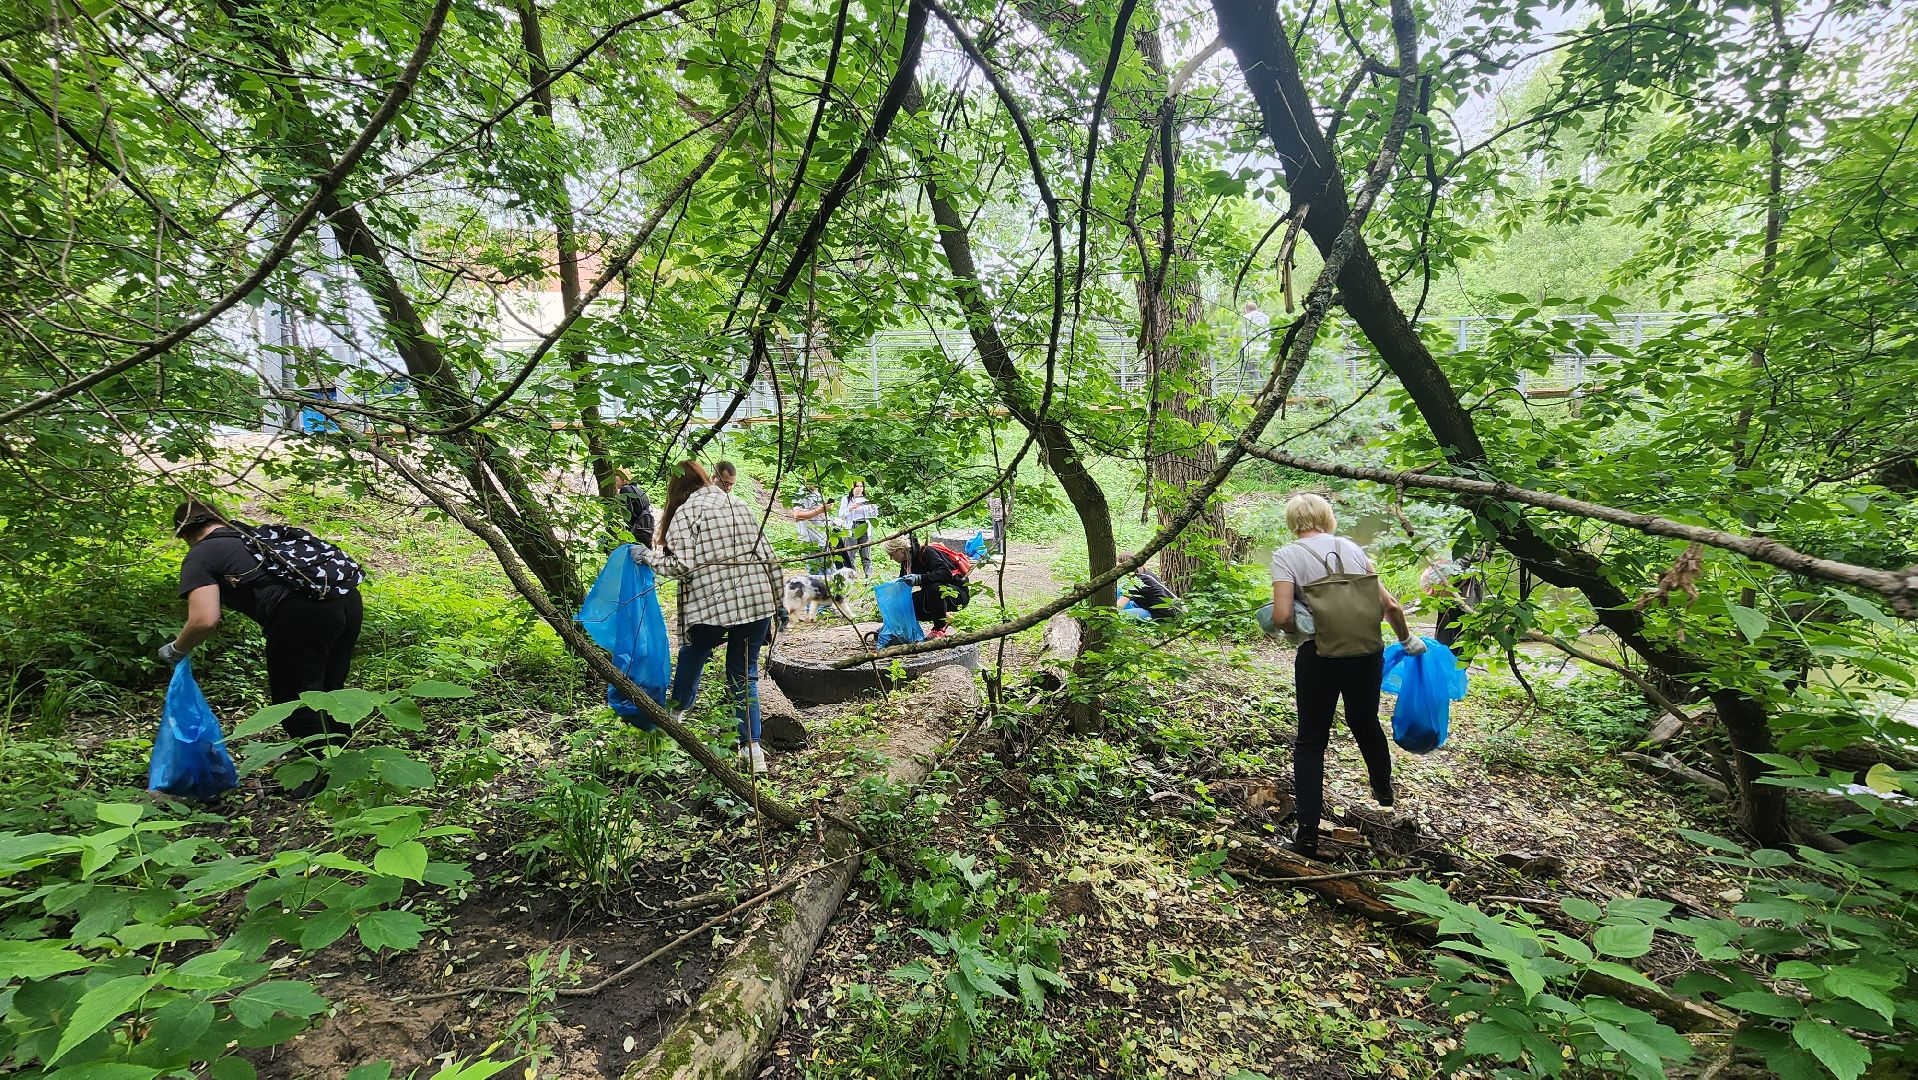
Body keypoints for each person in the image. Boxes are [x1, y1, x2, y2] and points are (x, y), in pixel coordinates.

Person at [159, 499, 364, 799]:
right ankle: (339, 763)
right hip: (346, 600)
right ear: (220, 520)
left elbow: (204, 619)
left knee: (295, 698)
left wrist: (176, 649)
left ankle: (319, 775)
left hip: (299, 613)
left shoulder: (201, 554)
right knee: (330, 691)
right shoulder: (253, 538)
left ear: (184, 534)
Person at [1268, 493, 1424, 857]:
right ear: (1327, 516)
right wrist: (1408, 638)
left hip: (1319, 655)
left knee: (1311, 740)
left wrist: (1295, 628)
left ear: (1293, 521)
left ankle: (1306, 832)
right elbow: (1390, 605)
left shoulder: (1287, 556)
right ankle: (1383, 790)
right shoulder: (1352, 549)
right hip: (1367, 652)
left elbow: (1280, 616)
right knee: (1364, 719)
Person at [637, 461, 785, 774]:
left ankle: (673, 721)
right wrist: (778, 601)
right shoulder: (739, 504)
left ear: (676, 488)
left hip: (712, 605)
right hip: (756, 600)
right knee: (744, 674)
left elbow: (680, 566)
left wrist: (644, 556)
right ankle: (752, 751)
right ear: (706, 479)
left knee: (694, 652)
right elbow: (769, 556)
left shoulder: (686, 512)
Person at [883, 535, 968, 638]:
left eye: (891, 554)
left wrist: (920, 578)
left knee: (934, 588)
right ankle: (944, 616)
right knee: (903, 605)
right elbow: (901, 586)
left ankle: (939, 628)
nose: (891, 558)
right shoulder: (907, 562)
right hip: (935, 595)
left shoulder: (926, 552)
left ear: (900, 550)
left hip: (957, 594)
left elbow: (945, 574)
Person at [1420, 546, 1484, 649]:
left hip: (1458, 589)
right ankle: (1446, 655)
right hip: (1452, 587)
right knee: (1449, 625)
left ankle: (1447, 654)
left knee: (1453, 625)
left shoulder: (1471, 545)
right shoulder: (1466, 546)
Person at [1119, 553, 1182, 621]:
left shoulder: (1137, 580)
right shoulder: (1145, 573)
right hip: (1165, 606)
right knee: (1118, 591)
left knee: (1120, 615)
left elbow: (1124, 600)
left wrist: (1109, 613)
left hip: (1160, 613)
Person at [839, 480, 880, 577]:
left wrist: (874, 507)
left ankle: (868, 577)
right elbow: (841, 515)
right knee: (850, 554)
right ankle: (852, 576)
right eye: (856, 486)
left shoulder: (867, 499)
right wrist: (851, 508)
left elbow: (875, 514)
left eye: (861, 486)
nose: (859, 488)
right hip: (851, 527)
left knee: (866, 554)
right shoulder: (846, 499)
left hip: (865, 526)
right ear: (852, 487)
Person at [791, 484, 831, 574]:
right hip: (811, 541)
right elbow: (797, 515)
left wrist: (825, 510)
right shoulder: (801, 493)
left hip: (822, 539)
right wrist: (819, 510)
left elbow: (819, 514)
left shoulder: (817, 493)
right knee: (816, 574)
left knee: (827, 571)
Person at [613, 469, 655, 548]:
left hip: (633, 534)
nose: (614, 479)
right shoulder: (639, 491)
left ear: (622, 477)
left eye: (615, 476)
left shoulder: (625, 490)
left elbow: (627, 517)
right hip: (644, 532)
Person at [986, 492, 1007, 556]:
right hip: (995, 518)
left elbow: (1005, 509)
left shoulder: (1000, 500)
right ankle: (998, 550)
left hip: (1000, 518)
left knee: (1000, 535)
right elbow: (988, 506)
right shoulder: (990, 500)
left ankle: (1001, 550)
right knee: (997, 535)